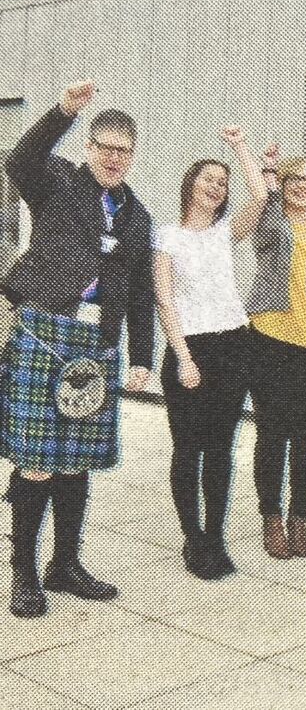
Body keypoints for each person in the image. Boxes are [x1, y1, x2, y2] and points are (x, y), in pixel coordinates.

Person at [3, 80, 154, 618]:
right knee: (37, 460)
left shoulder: (137, 216)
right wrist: (62, 112)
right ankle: (23, 572)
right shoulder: (57, 181)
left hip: (95, 342)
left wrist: (140, 357)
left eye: (123, 150)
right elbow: (19, 160)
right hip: (45, 328)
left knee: (75, 462)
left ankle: (63, 564)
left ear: (133, 156)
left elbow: (139, 292)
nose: (114, 158)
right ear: (88, 148)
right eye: (105, 147)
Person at [153, 125, 267, 580]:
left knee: (221, 449)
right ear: (189, 184)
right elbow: (164, 298)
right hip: (190, 348)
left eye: (222, 183)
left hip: (233, 345)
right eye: (209, 179)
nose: (218, 187)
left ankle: (215, 536)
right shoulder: (166, 236)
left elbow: (259, 196)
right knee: (188, 450)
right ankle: (192, 538)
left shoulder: (224, 233)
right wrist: (182, 357)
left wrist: (240, 147)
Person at [244, 150, 306, 560]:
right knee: (272, 432)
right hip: (272, 336)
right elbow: (259, 205)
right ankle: (271, 517)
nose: (303, 185)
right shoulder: (271, 221)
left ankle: (299, 516)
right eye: (295, 178)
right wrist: (263, 171)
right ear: (283, 184)